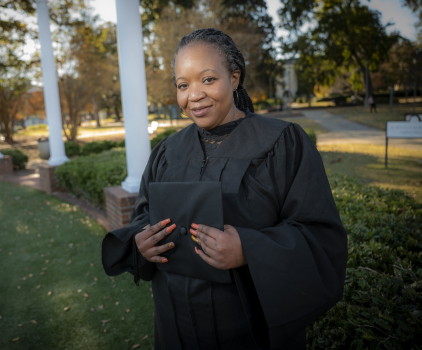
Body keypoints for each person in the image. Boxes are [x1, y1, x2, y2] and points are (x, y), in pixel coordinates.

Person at [102, 28, 348, 350]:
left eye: (207, 80)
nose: (194, 95)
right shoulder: (167, 152)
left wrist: (250, 248)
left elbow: (321, 236)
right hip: (174, 325)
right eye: (182, 85)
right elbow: (144, 216)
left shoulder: (282, 142)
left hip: (248, 329)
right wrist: (141, 243)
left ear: (234, 78)